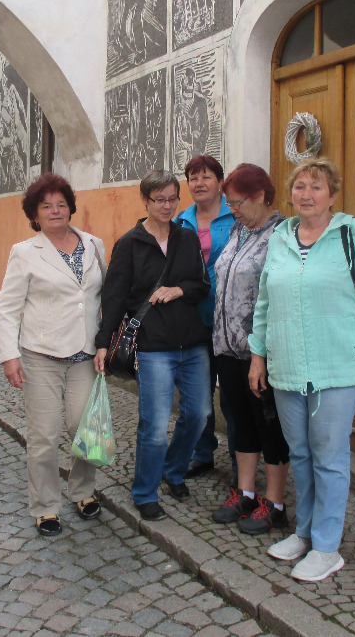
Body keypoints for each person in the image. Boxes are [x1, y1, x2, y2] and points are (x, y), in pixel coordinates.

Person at [248, 157, 355, 581]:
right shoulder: (281, 236)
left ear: (332, 195)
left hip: (336, 364)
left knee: (329, 457)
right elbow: (264, 300)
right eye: (300, 187)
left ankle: (327, 547)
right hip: (288, 365)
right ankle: (305, 532)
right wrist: (258, 356)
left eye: (316, 187)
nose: (307, 194)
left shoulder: (352, 233)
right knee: (300, 453)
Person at [95, 170, 211, 522]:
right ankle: (145, 492)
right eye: (159, 199)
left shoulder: (186, 238)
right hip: (153, 346)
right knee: (156, 425)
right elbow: (114, 298)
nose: (167, 206)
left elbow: (202, 285)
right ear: (145, 200)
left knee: (199, 415)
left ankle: (173, 470)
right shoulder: (129, 244)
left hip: (192, 343)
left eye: (173, 199)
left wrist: (180, 290)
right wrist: (103, 343)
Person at [0, 173, 107, 538]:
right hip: (41, 355)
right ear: (35, 214)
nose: (55, 211)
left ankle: (83, 490)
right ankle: (45, 506)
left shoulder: (94, 245)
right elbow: (8, 308)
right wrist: (9, 356)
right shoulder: (25, 252)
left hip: (84, 354)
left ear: (71, 208)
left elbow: (103, 297)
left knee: (83, 429)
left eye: (61, 204)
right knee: (44, 437)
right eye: (47, 206)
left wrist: (105, 342)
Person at [210, 164, 290, 535]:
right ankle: (245, 493)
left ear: (259, 196)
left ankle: (275, 503)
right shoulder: (238, 230)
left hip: (262, 352)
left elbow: (279, 296)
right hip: (227, 348)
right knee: (240, 422)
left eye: (237, 202)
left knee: (268, 424)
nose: (232, 209)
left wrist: (263, 353)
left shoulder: (282, 234)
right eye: (229, 203)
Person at [174, 155, 235, 480]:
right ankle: (202, 452)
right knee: (198, 391)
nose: (199, 183)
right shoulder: (181, 221)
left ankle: (241, 459)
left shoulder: (234, 214)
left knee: (233, 396)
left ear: (220, 182)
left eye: (206, 177)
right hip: (193, 319)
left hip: (231, 319)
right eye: (193, 178)